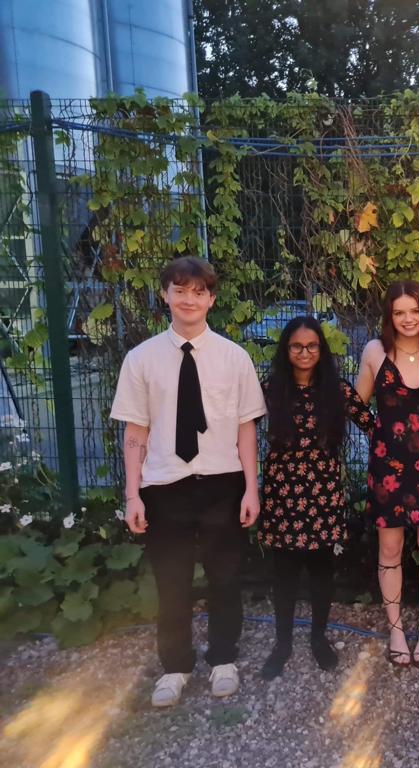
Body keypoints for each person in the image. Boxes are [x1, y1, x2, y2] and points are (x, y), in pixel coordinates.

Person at [111, 256, 266, 708]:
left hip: (222, 483)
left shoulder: (234, 358)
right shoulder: (141, 359)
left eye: (198, 292)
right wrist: (133, 494)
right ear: (165, 295)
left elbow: (246, 429)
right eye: (180, 290)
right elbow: (135, 431)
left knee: (225, 577)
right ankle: (175, 667)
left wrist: (251, 488)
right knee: (172, 581)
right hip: (165, 487)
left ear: (211, 299)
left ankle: (223, 660)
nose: (189, 299)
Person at [258, 316, 373, 680]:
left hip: (323, 492)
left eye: (311, 346)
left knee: (322, 569)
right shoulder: (269, 389)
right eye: (296, 346)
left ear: (321, 350)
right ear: (286, 350)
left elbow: (373, 425)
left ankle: (318, 637)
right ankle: (282, 642)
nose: (304, 352)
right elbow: (237, 426)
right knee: (284, 571)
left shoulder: (336, 390)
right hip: (283, 492)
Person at [355, 281, 419, 667]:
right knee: (390, 548)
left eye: (414, 311)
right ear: (389, 317)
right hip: (388, 468)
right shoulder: (375, 352)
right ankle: (396, 629)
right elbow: (358, 404)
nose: (408, 319)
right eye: (399, 312)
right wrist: (379, 434)